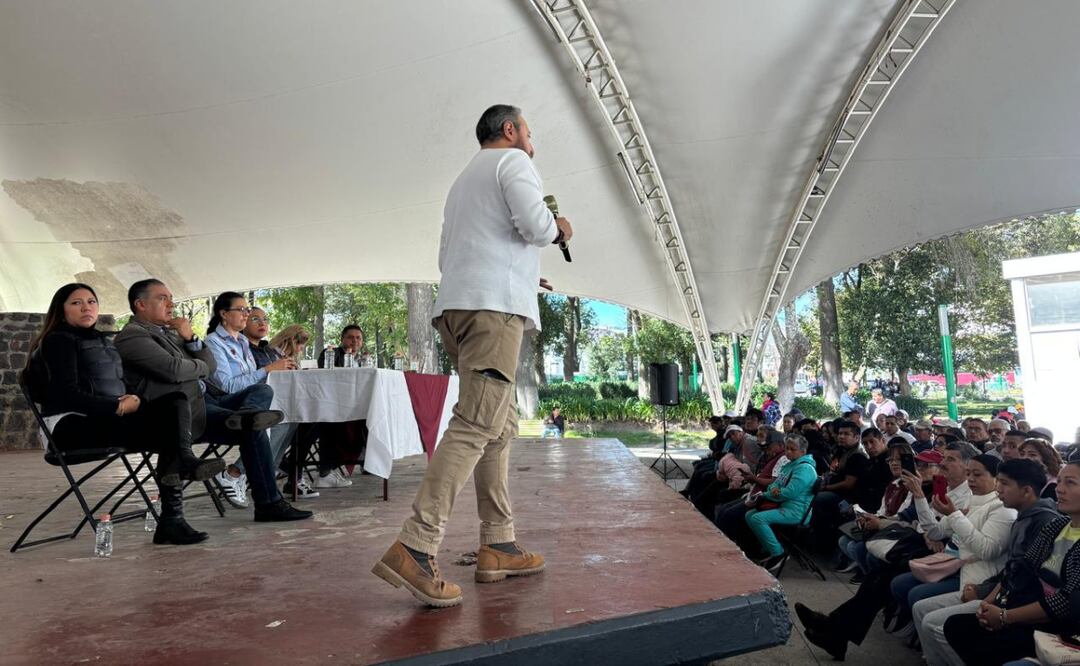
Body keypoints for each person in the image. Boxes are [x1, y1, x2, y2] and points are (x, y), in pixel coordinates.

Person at [373, 104, 571, 608]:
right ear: (510, 130)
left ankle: (498, 542)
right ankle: (416, 546)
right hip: (492, 312)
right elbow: (536, 225)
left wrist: (524, 274)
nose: (533, 141)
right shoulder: (515, 163)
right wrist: (560, 228)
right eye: (529, 131)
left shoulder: (463, 181)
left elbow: (454, 253)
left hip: (459, 309)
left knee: (498, 426)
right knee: (477, 424)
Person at [25, 283, 223, 545]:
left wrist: (134, 400)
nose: (86, 307)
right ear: (61, 311)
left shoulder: (100, 340)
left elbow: (116, 384)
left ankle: (178, 489)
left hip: (106, 419)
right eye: (76, 303)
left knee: (175, 402)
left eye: (92, 301)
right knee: (170, 430)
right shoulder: (58, 340)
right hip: (69, 427)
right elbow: (65, 395)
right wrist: (115, 406)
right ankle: (172, 517)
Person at [115, 279, 311, 523]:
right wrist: (199, 367)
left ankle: (267, 498)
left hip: (203, 404)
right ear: (140, 304)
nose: (171, 304)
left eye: (171, 297)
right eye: (162, 298)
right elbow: (176, 370)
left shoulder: (172, 334)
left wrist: (190, 338)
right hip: (178, 415)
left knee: (261, 400)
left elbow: (210, 365)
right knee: (252, 424)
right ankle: (268, 503)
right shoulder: (132, 336)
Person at [794, 445, 989, 660]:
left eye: (951, 460)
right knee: (878, 575)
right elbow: (931, 527)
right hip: (926, 545)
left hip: (951, 558)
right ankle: (834, 630)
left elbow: (949, 534)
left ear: (967, 466)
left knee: (886, 576)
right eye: (943, 458)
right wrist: (919, 500)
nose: (943, 464)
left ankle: (833, 629)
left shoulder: (971, 497)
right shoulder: (942, 489)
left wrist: (928, 527)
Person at [914, 459, 1058, 666]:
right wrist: (988, 597)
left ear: (1026, 491)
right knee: (922, 608)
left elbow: (993, 554)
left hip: (1014, 602)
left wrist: (995, 606)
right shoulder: (1020, 515)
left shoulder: (1037, 521)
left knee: (937, 624)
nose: (1059, 489)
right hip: (991, 589)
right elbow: (1013, 569)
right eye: (968, 473)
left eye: (1004, 483)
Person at [943, 460, 1080, 665]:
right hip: (1028, 606)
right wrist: (989, 601)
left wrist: (1006, 616)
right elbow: (1020, 568)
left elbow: (1066, 603)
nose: (1059, 489)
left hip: (1059, 626)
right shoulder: (1058, 525)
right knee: (956, 626)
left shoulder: (1044, 519)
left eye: (1070, 483)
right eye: (1059, 481)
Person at [886, 454, 1014, 641]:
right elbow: (935, 532)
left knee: (917, 596)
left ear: (997, 480)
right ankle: (916, 630)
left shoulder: (1002, 509)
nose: (971, 479)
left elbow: (986, 550)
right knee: (899, 582)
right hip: (957, 565)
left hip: (979, 576)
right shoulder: (972, 501)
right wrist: (920, 497)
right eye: (969, 474)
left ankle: (925, 636)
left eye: (977, 475)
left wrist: (955, 515)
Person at [205, 292, 300, 504]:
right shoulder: (213, 343)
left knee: (290, 417)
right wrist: (267, 370)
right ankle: (235, 473)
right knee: (265, 397)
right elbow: (226, 386)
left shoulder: (243, 344)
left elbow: (252, 381)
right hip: (225, 404)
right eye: (242, 310)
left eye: (248, 310)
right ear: (224, 314)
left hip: (250, 403)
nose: (246, 314)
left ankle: (256, 473)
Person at [243, 318, 320, 499]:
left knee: (311, 420)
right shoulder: (267, 353)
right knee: (297, 421)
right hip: (264, 403)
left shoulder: (278, 356)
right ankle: (286, 470)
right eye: (300, 344)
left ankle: (286, 470)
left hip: (281, 403)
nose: (301, 348)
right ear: (290, 341)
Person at [745, 433, 818, 573]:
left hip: (797, 512)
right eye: (787, 448)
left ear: (803, 451)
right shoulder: (790, 465)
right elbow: (775, 485)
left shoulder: (805, 468)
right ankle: (769, 549)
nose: (788, 452)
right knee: (750, 515)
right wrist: (773, 491)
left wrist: (771, 493)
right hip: (783, 505)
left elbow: (789, 493)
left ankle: (778, 554)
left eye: (793, 449)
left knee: (757, 518)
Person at [311, 324, 369, 488]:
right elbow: (327, 378)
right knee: (334, 423)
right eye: (350, 337)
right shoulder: (331, 354)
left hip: (354, 405)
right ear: (342, 339)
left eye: (358, 338)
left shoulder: (361, 360)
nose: (354, 341)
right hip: (331, 405)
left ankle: (367, 456)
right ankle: (327, 470)